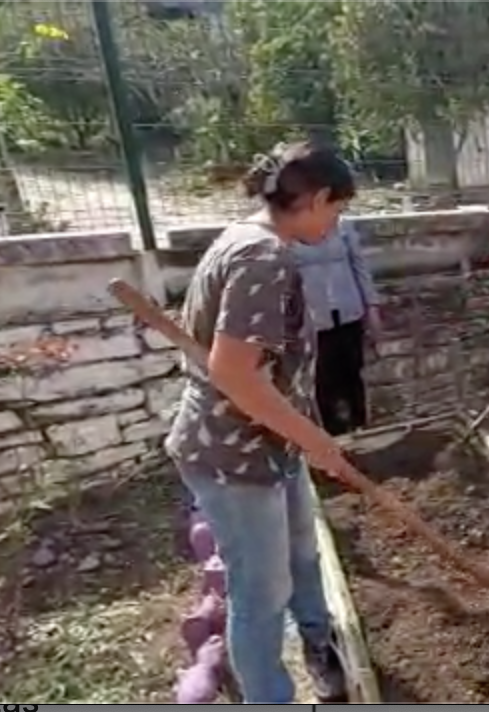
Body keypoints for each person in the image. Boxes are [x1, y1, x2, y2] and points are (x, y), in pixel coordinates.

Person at [164, 141, 366, 704]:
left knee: (304, 553)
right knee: (260, 594)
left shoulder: (246, 239)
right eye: (338, 209)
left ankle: (320, 646)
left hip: (271, 443)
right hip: (235, 457)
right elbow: (234, 372)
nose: (335, 222)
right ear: (318, 197)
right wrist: (316, 439)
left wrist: (299, 438)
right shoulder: (262, 258)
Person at [293, 213, 381, 435]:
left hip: (349, 311)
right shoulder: (288, 230)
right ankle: (333, 435)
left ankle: (361, 427)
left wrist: (372, 307)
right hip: (315, 319)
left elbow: (359, 266)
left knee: (354, 373)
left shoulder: (342, 226)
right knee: (323, 379)